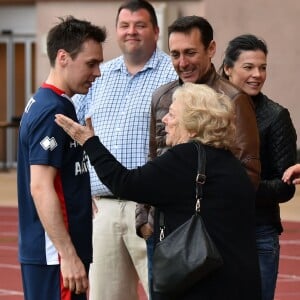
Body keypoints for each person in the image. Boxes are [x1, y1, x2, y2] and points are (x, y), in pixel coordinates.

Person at [55, 82, 262, 300]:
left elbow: (124, 183)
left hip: (203, 284)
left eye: (172, 114)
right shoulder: (231, 164)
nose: (164, 120)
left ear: (192, 126)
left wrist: (89, 141)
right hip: (240, 282)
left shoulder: (185, 157)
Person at [135, 15, 261, 293]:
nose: (183, 62)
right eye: (176, 54)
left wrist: (210, 217)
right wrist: (144, 221)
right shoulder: (162, 96)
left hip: (208, 237)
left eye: (190, 52)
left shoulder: (234, 99)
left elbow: (248, 172)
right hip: (164, 234)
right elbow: (153, 158)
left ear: (211, 49)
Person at [73, 1, 177, 299]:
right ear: (116, 32)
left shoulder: (174, 74)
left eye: (140, 25)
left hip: (154, 208)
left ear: (156, 31)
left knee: (168, 292)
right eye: (125, 25)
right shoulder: (98, 77)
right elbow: (73, 132)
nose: (131, 32)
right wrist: (80, 187)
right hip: (103, 209)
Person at [17, 16, 106, 300]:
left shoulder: (58, 103)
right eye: (91, 63)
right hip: (55, 257)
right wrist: (67, 255)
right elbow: (40, 186)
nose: (98, 72)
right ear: (63, 57)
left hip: (58, 252)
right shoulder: (50, 110)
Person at [219, 33, 297, 300]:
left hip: (259, 231)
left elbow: (284, 187)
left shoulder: (276, 116)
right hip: (214, 231)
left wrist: (237, 188)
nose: (258, 74)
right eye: (248, 67)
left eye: (263, 67)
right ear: (228, 68)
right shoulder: (208, 110)